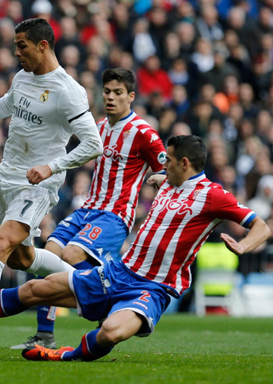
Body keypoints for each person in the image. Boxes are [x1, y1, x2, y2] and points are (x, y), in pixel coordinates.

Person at [0, 135, 270, 360]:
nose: (161, 165)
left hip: (152, 288)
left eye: (168, 160)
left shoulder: (213, 195)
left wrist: (243, 245)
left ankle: (65, 356)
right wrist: (162, 175)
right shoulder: (170, 182)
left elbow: (261, 225)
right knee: (36, 289)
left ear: (185, 163)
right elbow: (167, 179)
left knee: (112, 333)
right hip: (118, 273)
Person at [0, 18, 103, 345]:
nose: (16, 53)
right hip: (10, 179)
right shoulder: (23, 77)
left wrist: (52, 167)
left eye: (22, 46)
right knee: (22, 259)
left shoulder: (68, 91)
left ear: (43, 45)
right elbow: (4, 105)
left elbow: (93, 143)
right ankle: (91, 287)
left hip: (40, 184)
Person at [11, 67, 167, 350]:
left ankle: (111, 301)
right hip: (88, 208)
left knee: (71, 254)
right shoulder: (98, 127)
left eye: (118, 93)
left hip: (115, 213)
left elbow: (167, 172)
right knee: (49, 256)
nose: (110, 97)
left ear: (130, 96)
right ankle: (45, 334)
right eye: (107, 91)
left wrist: (159, 177)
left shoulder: (144, 133)